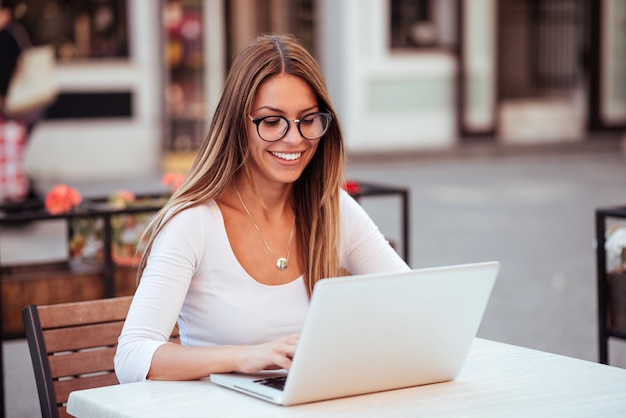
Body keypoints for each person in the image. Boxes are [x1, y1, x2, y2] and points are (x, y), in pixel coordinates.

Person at [114, 33, 410, 384]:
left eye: (308, 119)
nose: (295, 138)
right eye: (271, 121)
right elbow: (132, 356)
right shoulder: (194, 223)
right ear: (239, 123)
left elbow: (412, 301)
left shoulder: (331, 209)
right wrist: (245, 356)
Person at [0, 0, 42, 205]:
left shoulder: (8, 36)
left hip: (15, 110)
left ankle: (22, 201)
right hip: (17, 110)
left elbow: (6, 74)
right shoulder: (12, 34)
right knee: (11, 158)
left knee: (10, 158)